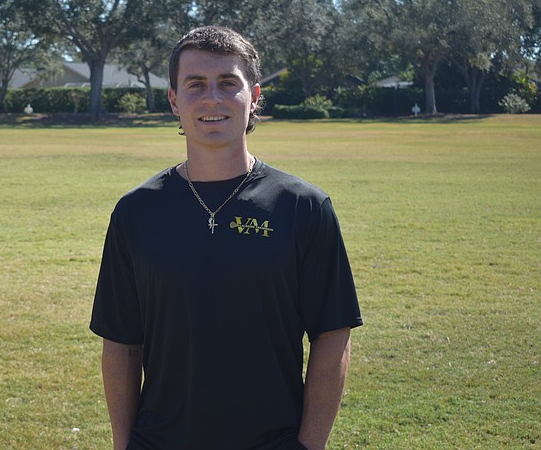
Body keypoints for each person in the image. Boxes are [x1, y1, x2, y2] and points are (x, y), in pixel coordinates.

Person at [90, 25, 363, 449]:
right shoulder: (135, 212)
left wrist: (308, 446)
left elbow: (332, 333)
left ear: (253, 97)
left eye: (228, 83)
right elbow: (122, 341)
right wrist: (124, 444)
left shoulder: (303, 207)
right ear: (174, 100)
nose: (212, 98)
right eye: (195, 84)